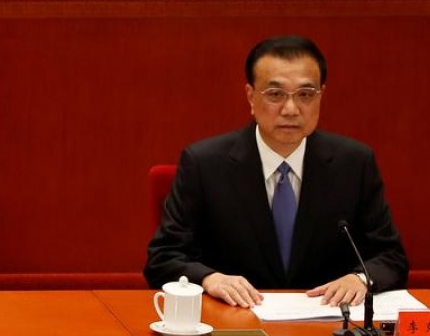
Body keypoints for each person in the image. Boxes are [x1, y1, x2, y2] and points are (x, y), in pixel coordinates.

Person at [144, 36, 408, 308]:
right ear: (250, 96)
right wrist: (211, 278)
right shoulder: (205, 164)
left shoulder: (353, 163)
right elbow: (163, 258)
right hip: (234, 327)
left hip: (327, 329)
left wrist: (361, 279)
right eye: (275, 94)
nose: (291, 109)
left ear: (321, 96)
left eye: (305, 94)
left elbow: (391, 257)